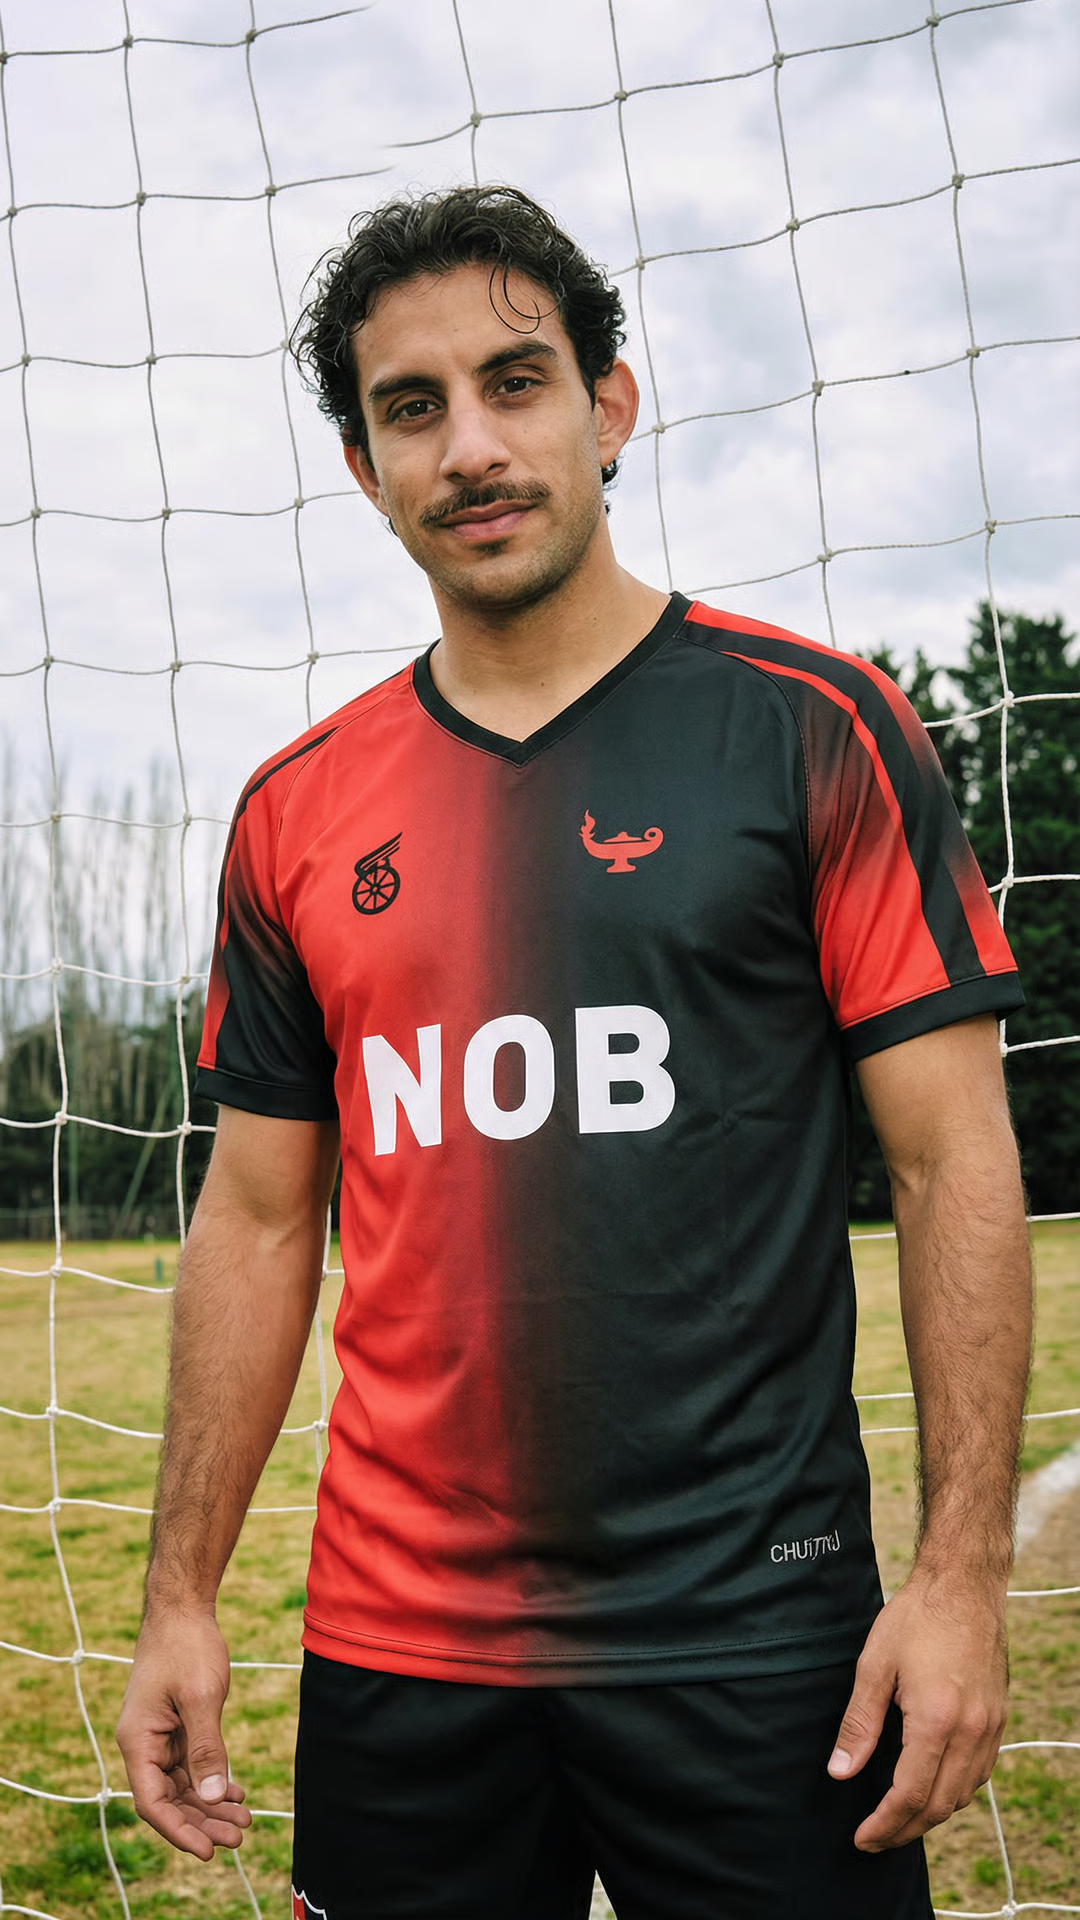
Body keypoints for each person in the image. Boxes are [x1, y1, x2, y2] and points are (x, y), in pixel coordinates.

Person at [117, 185, 1032, 1920]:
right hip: (401, 1655)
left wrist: (961, 1579)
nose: (469, 446)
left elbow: (951, 1161)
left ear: (610, 405)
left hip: (759, 1632)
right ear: (363, 466)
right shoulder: (294, 813)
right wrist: (180, 1594)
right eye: (411, 407)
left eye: (515, 381)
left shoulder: (814, 729)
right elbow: (255, 1216)